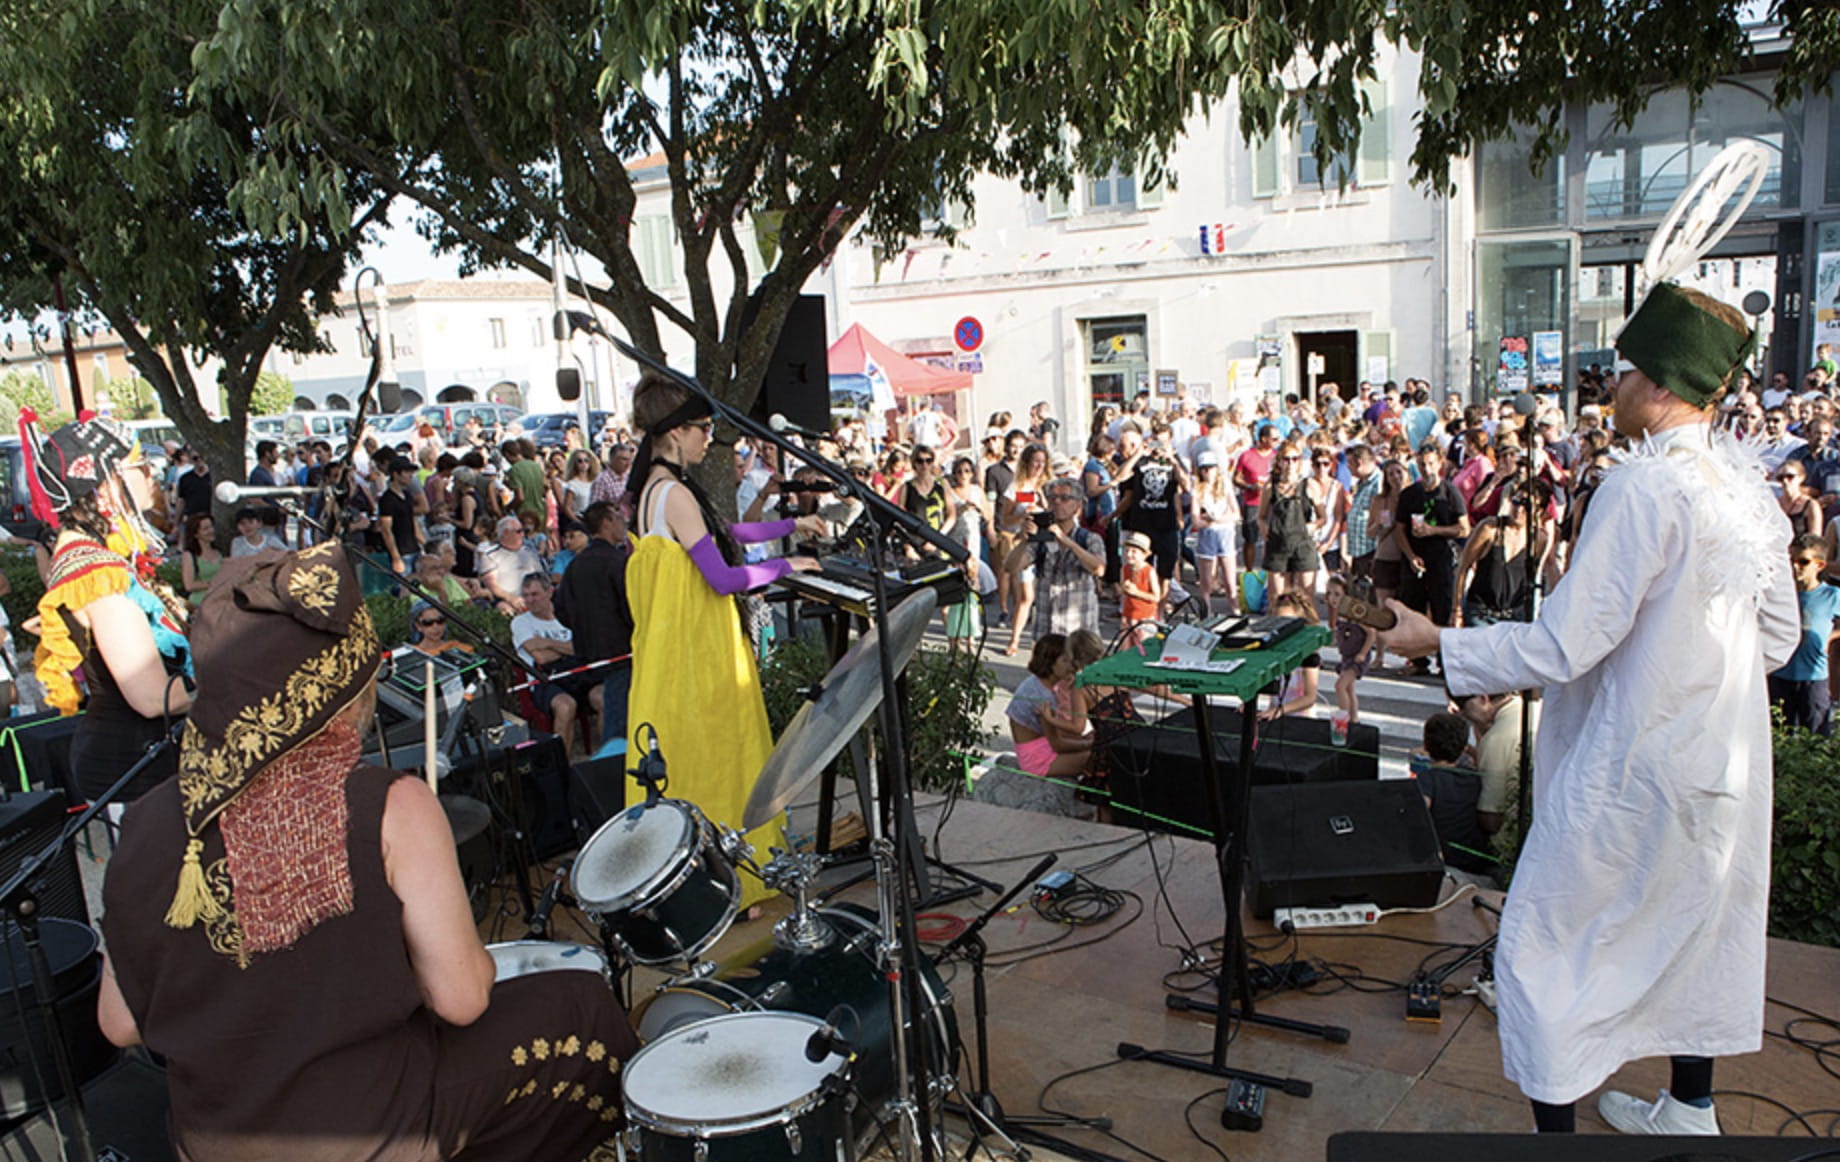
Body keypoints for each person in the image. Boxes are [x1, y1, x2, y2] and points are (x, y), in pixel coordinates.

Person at [1381, 280, 1800, 1135]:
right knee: (1695, 925)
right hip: (1719, 762)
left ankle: (1558, 1146)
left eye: (1623, 371)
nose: (1610, 387)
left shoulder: (1642, 491)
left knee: (1542, 947)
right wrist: (1687, 673)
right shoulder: (1745, 488)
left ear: (1661, 386)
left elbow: (1565, 645)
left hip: (1632, 767)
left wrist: (1437, 642)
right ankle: (1690, 1107)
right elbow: (1780, 639)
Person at [97, 544, 634, 1161]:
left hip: (211, 1138)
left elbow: (120, 1023)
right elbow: (462, 1000)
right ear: (346, 687)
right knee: (579, 1005)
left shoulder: (142, 819)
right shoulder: (390, 804)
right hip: (369, 1133)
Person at [625, 374, 822, 910]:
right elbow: (725, 577)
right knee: (716, 759)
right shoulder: (674, 494)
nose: (708, 438)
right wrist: (788, 564)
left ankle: (709, 885)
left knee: (693, 761)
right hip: (699, 654)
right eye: (702, 428)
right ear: (674, 432)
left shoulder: (654, 491)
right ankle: (728, 886)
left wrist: (791, 524)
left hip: (674, 655)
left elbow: (726, 534)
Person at [28, 416, 194, 804]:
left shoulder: (96, 558)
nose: (152, 475)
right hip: (136, 765)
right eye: (140, 467)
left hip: (142, 756)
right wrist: (232, 681)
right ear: (106, 485)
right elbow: (153, 698)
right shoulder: (96, 572)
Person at [1004, 478, 1103, 656]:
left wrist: (1068, 542)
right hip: (1047, 630)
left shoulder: (1089, 539)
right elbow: (1011, 568)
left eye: (1065, 498)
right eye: (1052, 498)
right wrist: (1024, 541)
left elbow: (1099, 569)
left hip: (1080, 630)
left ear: (1077, 506)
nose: (1057, 503)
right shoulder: (1040, 540)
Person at [1409, 710, 1496, 876]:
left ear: (1425, 745)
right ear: (1464, 748)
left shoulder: (1428, 778)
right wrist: (1470, 750)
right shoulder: (1472, 776)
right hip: (1474, 857)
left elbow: (1420, 815)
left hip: (1447, 857)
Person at [1767, 533, 1839, 735]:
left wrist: (1831, 637)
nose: (1795, 566)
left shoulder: (1831, 596)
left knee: (1816, 736)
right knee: (1779, 733)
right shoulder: (1781, 594)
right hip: (1781, 673)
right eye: (1791, 560)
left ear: (1820, 565)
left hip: (1813, 676)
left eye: (1803, 562)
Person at [513, 572, 589, 758]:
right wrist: (568, 648)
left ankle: (608, 758)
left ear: (549, 592)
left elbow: (584, 648)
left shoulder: (566, 615)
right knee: (565, 706)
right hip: (543, 681)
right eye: (526, 595)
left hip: (577, 675)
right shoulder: (520, 622)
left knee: (605, 697)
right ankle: (562, 766)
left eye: (535, 594)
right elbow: (541, 658)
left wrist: (547, 643)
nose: (530, 600)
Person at [1004, 633, 1092, 778]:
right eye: (1065, 661)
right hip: (1038, 759)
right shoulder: (1043, 699)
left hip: (1041, 743)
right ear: (1050, 663)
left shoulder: (1037, 682)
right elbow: (1057, 744)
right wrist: (1088, 744)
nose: (1071, 666)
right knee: (1098, 759)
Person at [1257, 443, 1321, 601]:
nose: (1290, 463)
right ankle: (1278, 624)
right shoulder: (1271, 486)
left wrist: (1312, 526)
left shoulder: (1309, 485)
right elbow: (1261, 516)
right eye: (1286, 459)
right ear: (1279, 461)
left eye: (1295, 459)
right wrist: (1267, 532)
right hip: (1278, 546)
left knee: (1305, 597)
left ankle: (1307, 624)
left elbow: (1323, 517)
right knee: (1277, 597)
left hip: (1303, 545)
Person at [1189, 450, 1239, 614]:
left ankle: (1235, 610)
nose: (1207, 472)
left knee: (1230, 580)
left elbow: (1236, 514)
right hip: (1208, 535)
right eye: (1204, 469)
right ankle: (1206, 613)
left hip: (1225, 533)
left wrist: (1215, 519)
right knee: (1206, 581)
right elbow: (1195, 520)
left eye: (1210, 468)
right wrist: (1210, 520)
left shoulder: (1225, 485)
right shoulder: (1197, 490)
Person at [1258, 593, 1321, 718]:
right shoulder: (1274, 650)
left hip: (1300, 718)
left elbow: (1310, 697)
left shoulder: (1308, 654)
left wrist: (1280, 710)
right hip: (1273, 715)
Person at [1118, 532, 1164, 648]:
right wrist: (1125, 588)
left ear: (1144, 554)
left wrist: (1136, 593)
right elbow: (1123, 590)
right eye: (1127, 550)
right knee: (1125, 648)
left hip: (1145, 616)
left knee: (1143, 648)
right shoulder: (1125, 569)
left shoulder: (1149, 571)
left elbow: (1156, 597)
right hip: (1128, 614)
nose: (1129, 554)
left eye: (1134, 551)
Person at [180, 513, 224, 608]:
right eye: (205, 529)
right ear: (196, 534)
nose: (211, 530)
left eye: (211, 527)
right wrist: (214, 584)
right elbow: (189, 585)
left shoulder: (219, 552)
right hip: (200, 603)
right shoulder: (189, 555)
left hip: (220, 601)